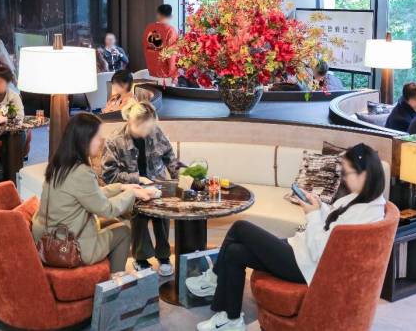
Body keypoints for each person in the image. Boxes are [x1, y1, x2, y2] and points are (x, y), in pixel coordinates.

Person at [187, 144, 386, 331]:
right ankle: (232, 319)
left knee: (241, 227)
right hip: (301, 250)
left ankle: (214, 278)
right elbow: (334, 221)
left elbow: (321, 251)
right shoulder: (360, 198)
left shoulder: (365, 213)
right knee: (234, 252)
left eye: (346, 173)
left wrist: (312, 214)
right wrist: (319, 205)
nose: (343, 178)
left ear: (364, 174)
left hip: (307, 265)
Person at [31, 113, 156, 272]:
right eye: (97, 138)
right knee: (124, 231)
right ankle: (115, 282)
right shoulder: (81, 171)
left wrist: (122, 187)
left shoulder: (59, 164)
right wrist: (132, 194)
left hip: (48, 237)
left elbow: (90, 195)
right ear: (85, 140)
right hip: (69, 246)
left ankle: (108, 276)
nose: (100, 142)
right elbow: (107, 209)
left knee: (109, 224)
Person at [102, 100, 180, 276]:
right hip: (130, 189)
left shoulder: (155, 132)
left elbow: (170, 158)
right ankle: (141, 258)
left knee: (162, 211)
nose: (149, 132)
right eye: (146, 128)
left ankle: (164, 256)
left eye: (151, 127)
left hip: (157, 186)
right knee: (138, 211)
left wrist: (182, 179)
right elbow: (109, 176)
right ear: (132, 122)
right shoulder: (114, 140)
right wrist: (137, 179)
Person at [143, 4, 179, 81]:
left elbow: (146, 49)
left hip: (151, 72)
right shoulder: (170, 30)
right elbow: (172, 55)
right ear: (171, 16)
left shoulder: (148, 28)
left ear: (158, 14)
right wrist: (174, 74)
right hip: (165, 76)